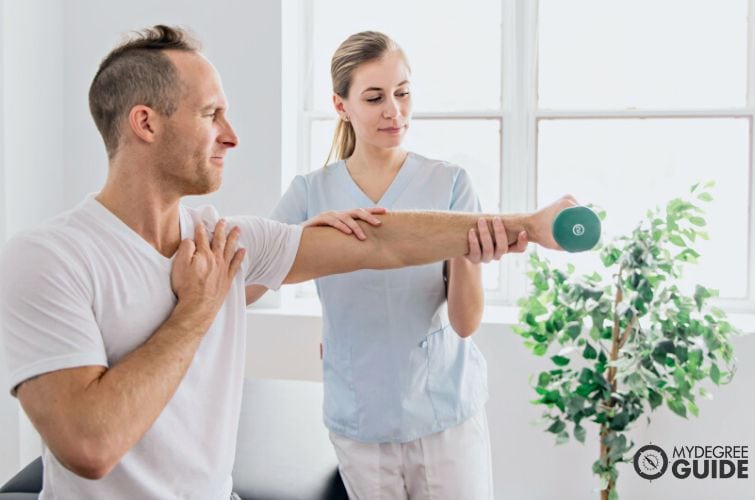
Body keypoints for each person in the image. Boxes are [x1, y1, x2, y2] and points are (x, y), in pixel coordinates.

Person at [0, 25, 574, 499]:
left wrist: (531, 226)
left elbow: (380, 242)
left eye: (402, 93)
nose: (233, 136)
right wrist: (198, 309)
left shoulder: (223, 240)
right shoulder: (48, 257)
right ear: (146, 123)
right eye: (211, 114)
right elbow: (89, 445)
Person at [249, 31, 518, 499]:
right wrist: (304, 236)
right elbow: (247, 288)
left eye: (403, 92)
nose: (394, 110)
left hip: (446, 415)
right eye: (374, 98)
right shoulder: (310, 194)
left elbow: (466, 322)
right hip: (360, 422)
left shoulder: (450, 184)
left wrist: (469, 258)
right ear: (341, 105)